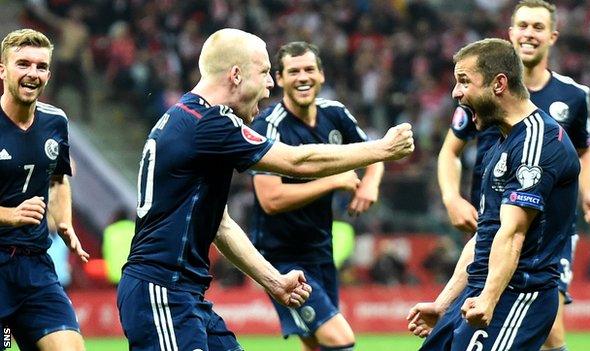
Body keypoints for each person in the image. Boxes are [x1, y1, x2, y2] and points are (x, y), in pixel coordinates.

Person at [117, 28, 414, 351]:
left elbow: (222, 225)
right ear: (235, 75)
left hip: (181, 293)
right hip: (162, 291)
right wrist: (381, 149)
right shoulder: (210, 122)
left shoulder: (189, 118)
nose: (271, 84)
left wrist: (274, 282)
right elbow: (297, 162)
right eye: (263, 73)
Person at [436, 1, 590, 350]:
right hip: (491, 218)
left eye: (538, 27)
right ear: (511, 33)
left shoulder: (571, 98)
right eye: (523, 25)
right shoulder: (485, 106)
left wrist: (589, 192)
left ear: (552, 36)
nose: (529, 33)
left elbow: (584, 151)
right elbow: (449, 151)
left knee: (550, 329)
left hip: (541, 231)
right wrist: (452, 198)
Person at [407, 38, 580, 350]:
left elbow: (513, 235)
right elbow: (485, 236)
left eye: (464, 81)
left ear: (499, 84)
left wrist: (488, 297)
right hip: (479, 291)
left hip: (516, 296)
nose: (455, 93)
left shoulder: (537, 144)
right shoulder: (500, 143)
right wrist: (443, 303)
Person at [249, 41, 384, 351]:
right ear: (279, 79)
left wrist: (370, 184)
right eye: (293, 71)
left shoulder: (334, 114)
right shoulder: (268, 126)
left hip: (320, 248)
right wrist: (332, 180)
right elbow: (271, 200)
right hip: (280, 255)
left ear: (322, 75)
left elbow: (373, 154)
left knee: (314, 344)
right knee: (340, 338)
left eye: (309, 69)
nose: (303, 77)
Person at [0, 29, 89, 351]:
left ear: (49, 74)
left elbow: (58, 178)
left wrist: (63, 222)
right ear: (3, 69)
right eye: (23, 64)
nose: (32, 73)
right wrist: (7, 215)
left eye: (40, 66)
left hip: (35, 266)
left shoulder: (56, 121)